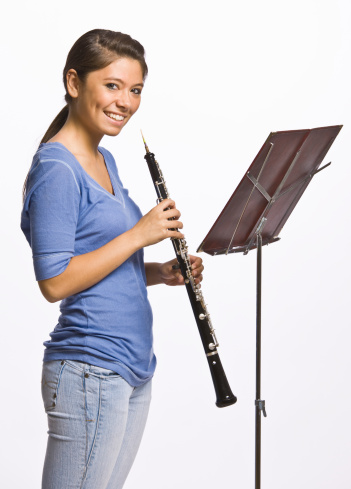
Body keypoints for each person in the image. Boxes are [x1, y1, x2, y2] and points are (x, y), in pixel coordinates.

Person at [21, 29, 204, 489]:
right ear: (74, 82)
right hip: (90, 368)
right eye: (113, 85)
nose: (125, 101)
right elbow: (56, 282)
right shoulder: (57, 170)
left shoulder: (104, 160)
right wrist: (139, 234)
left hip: (130, 366)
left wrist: (161, 272)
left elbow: (100, 266)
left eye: (136, 89)